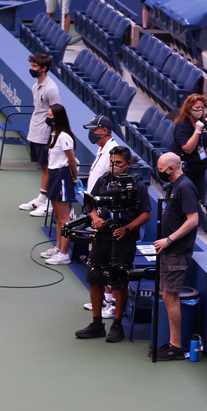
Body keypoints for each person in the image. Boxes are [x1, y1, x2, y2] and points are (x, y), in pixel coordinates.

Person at [74, 146, 151, 343]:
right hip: (102, 235)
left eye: (118, 164)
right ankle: (97, 323)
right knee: (94, 276)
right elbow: (89, 204)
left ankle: (117, 325)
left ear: (128, 164)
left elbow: (145, 214)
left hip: (123, 238)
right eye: (112, 162)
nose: (114, 166)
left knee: (119, 281)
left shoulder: (137, 186)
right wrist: (96, 219)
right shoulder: (104, 180)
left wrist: (128, 228)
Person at [152, 152, 200, 361]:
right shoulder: (175, 186)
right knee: (167, 296)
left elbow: (193, 220)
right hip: (169, 251)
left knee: (171, 297)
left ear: (171, 168)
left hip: (176, 251)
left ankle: (177, 347)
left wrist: (169, 239)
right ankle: (173, 342)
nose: (159, 171)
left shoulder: (185, 187)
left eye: (161, 168)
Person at [80, 114, 122, 317]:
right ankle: (105, 301)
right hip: (95, 212)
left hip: (105, 215)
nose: (91, 133)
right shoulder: (101, 150)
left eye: (93, 130)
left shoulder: (112, 152)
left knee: (107, 259)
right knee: (97, 260)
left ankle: (112, 303)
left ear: (104, 131)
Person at [19, 53, 61, 217]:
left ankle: (50, 203)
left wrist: (54, 135)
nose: (31, 69)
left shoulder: (52, 89)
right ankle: (42, 198)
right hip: (35, 131)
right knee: (43, 167)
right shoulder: (36, 86)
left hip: (46, 134)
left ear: (44, 68)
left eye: (35, 66)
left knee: (49, 168)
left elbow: (57, 112)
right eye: (31, 66)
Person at [38, 104, 80, 265]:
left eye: (50, 116)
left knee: (64, 218)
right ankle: (57, 247)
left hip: (62, 175)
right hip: (54, 175)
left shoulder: (64, 136)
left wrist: (74, 177)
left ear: (58, 118)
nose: (48, 118)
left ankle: (64, 254)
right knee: (57, 216)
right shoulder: (54, 133)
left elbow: (71, 160)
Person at [171, 93, 207, 202]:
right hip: (186, 169)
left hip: (200, 169)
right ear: (189, 109)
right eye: (197, 108)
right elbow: (188, 149)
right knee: (185, 199)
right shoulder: (182, 126)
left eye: (202, 108)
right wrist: (197, 131)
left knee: (197, 199)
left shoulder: (203, 123)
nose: (200, 110)